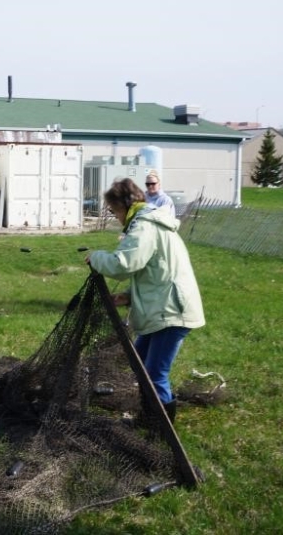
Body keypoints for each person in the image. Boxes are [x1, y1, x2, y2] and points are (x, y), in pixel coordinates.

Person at [86, 178, 204, 423]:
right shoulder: (149, 222)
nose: (114, 216)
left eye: (113, 210)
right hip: (164, 307)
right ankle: (149, 414)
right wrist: (128, 296)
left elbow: (123, 265)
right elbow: (155, 271)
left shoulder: (144, 225)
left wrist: (96, 257)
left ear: (125, 206)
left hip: (171, 311)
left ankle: (160, 427)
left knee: (154, 372)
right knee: (139, 359)